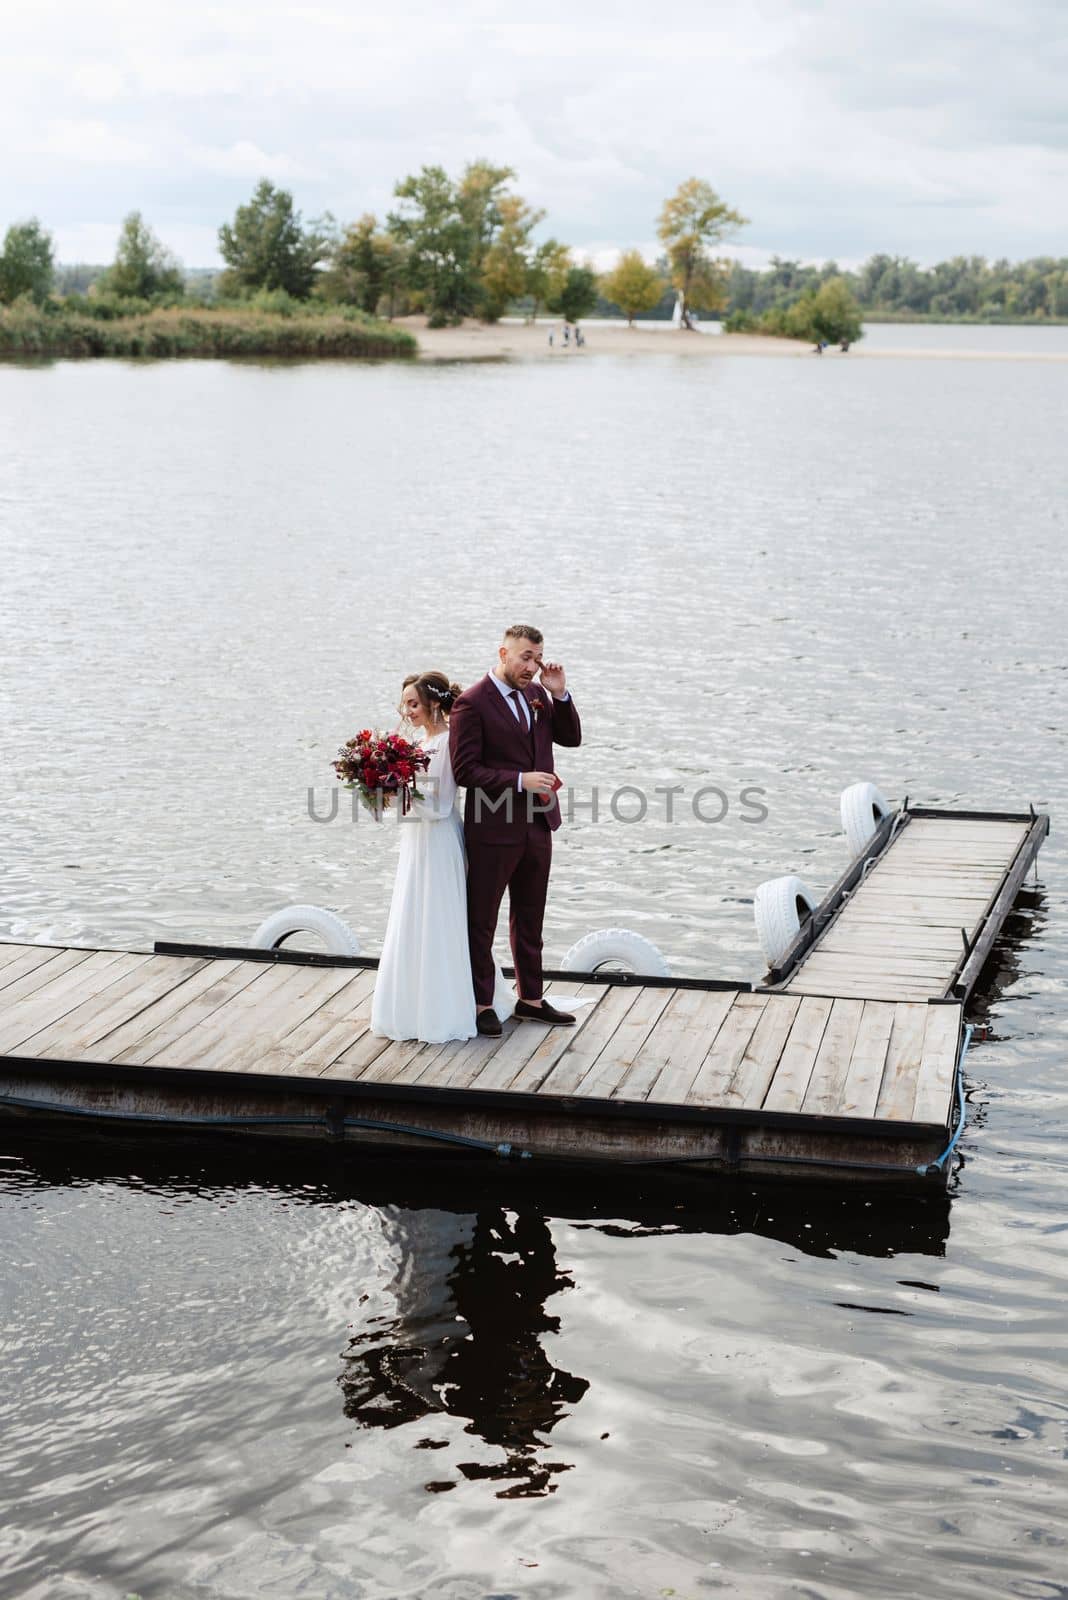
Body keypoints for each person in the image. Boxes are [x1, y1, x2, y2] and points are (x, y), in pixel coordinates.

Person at [449, 625, 582, 1038]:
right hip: (493, 829)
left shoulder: (539, 695)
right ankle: (481, 1002)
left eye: (537, 657)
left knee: (531, 918)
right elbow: (465, 771)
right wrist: (520, 780)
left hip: (539, 824)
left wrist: (559, 693)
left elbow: (572, 739)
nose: (532, 666)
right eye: (525, 657)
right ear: (503, 652)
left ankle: (532, 999)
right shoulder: (471, 703)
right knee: (482, 920)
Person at [370, 671, 513, 1043]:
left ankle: (448, 1005)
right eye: (405, 705)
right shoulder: (419, 742)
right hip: (416, 842)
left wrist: (397, 793)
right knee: (414, 913)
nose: (408, 711)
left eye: (413, 703)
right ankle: (413, 1003)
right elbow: (416, 799)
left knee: (440, 915)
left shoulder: (450, 740)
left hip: (439, 839)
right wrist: (384, 790)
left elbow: (440, 803)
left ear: (434, 703)